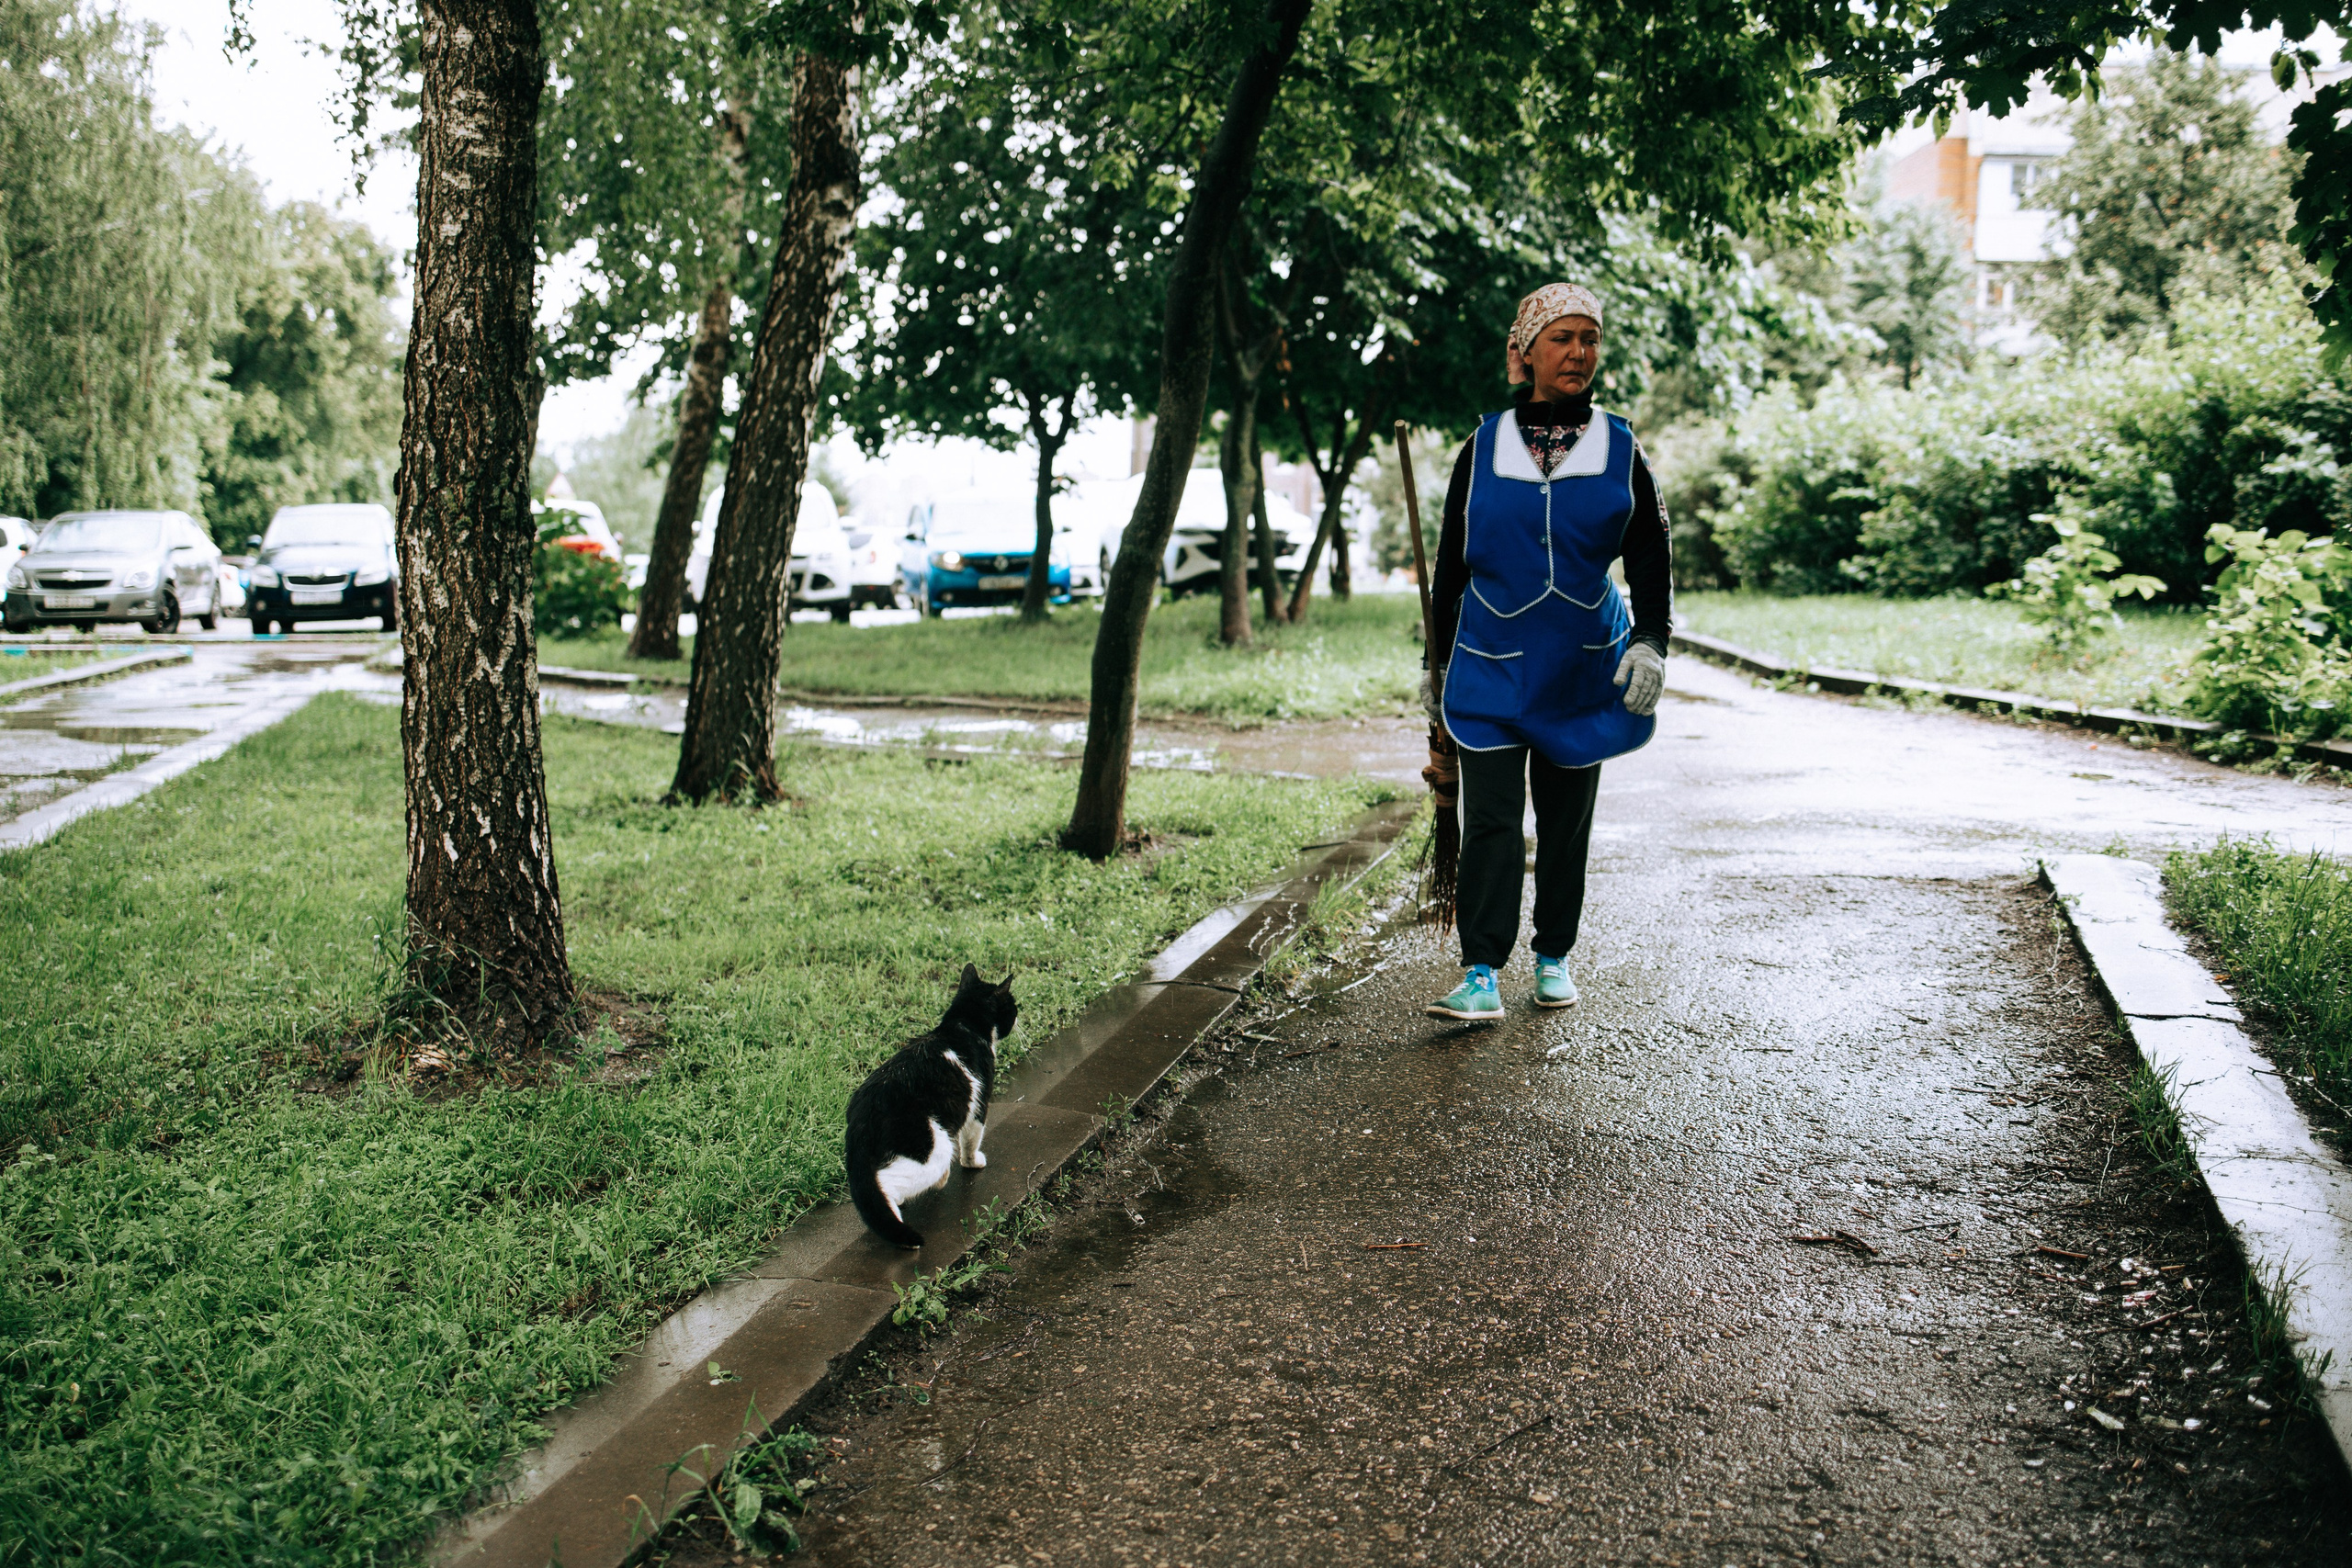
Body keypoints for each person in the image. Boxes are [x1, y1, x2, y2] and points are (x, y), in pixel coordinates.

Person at [1419, 282, 1671, 1021]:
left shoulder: (1622, 446)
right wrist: (1433, 667)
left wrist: (1652, 639)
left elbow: (1651, 552)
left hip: (1582, 666)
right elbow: (1449, 565)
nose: (1578, 353)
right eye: (1562, 338)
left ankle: (1554, 953)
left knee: (1566, 822)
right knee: (1491, 820)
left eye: (1589, 339)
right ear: (1524, 351)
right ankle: (1480, 973)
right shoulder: (1482, 445)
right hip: (1490, 664)